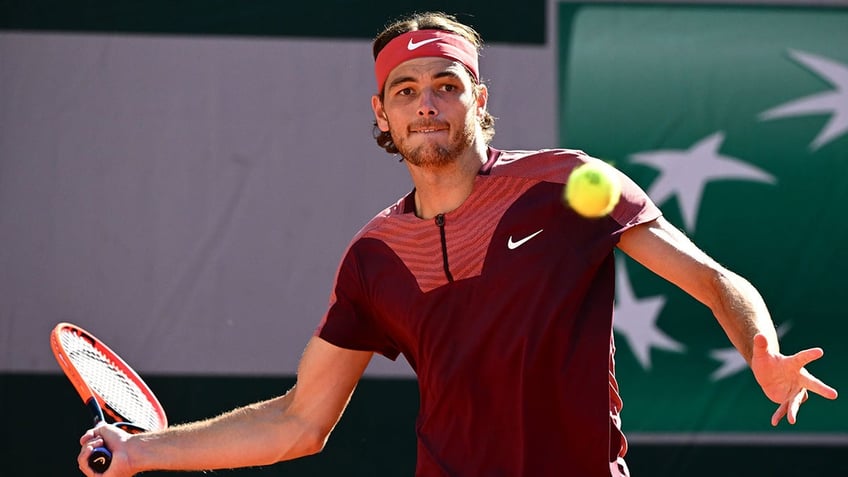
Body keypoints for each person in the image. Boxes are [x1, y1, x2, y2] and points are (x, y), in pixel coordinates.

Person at [78, 11, 838, 477]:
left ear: (478, 98)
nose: (427, 103)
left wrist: (761, 350)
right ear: (382, 115)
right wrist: (144, 451)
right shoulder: (374, 257)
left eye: (446, 84)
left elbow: (712, 278)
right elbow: (298, 422)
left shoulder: (567, 185)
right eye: (405, 92)